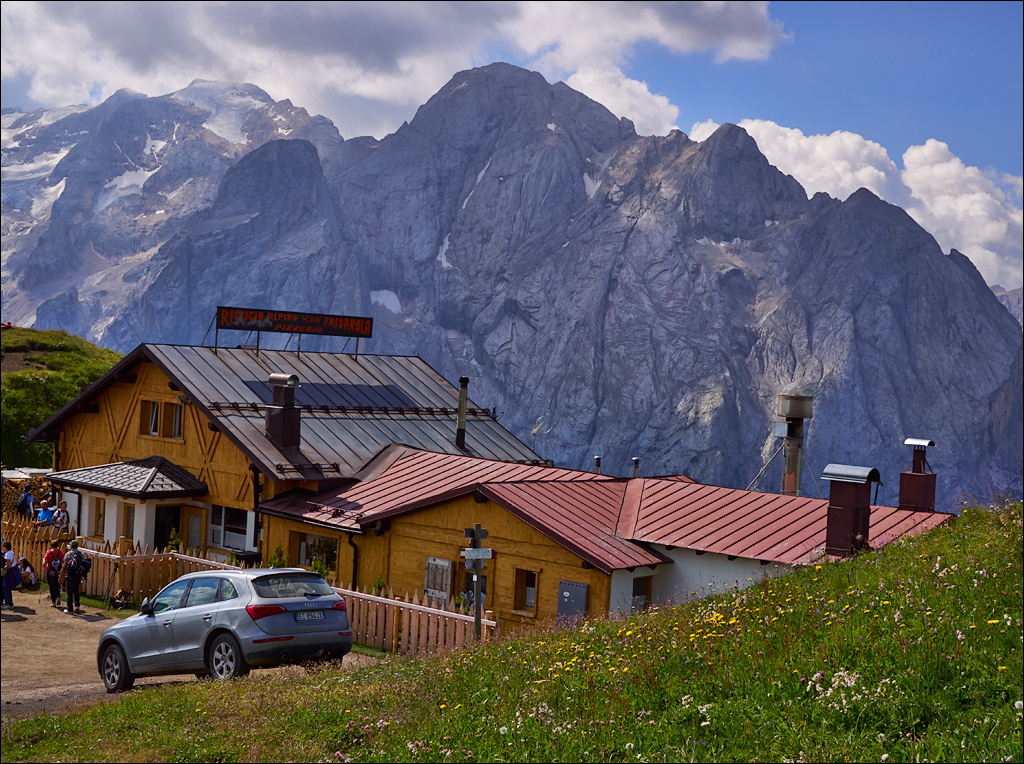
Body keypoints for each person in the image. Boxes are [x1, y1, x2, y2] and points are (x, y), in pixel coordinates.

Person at [60, 540, 87, 614]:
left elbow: (64, 566)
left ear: (71, 546)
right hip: (78, 575)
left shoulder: (68, 554)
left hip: (70, 575)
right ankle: (77, 606)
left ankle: (70, 609)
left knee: (69, 592)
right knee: (76, 591)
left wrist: (61, 575)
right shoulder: (80, 554)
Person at [43, 540, 65, 608]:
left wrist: (43, 560)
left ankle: (53, 602)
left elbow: (44, 563)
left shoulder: (48, 552)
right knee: (57, 585)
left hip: (50, 571)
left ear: (51, 546)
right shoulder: (61, 552)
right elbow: (63, 562)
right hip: (58, 571)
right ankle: (58, 597)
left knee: (51, 586)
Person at [2, 541, 17, 610]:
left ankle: (9, 604)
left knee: (6, 588)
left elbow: (8, 565)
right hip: (12, 572)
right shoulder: (11, 552)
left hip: (9, 572)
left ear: (5, 547)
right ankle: (8, 603)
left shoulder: (7, 554)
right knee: (7, 588)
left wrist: (2, 568)